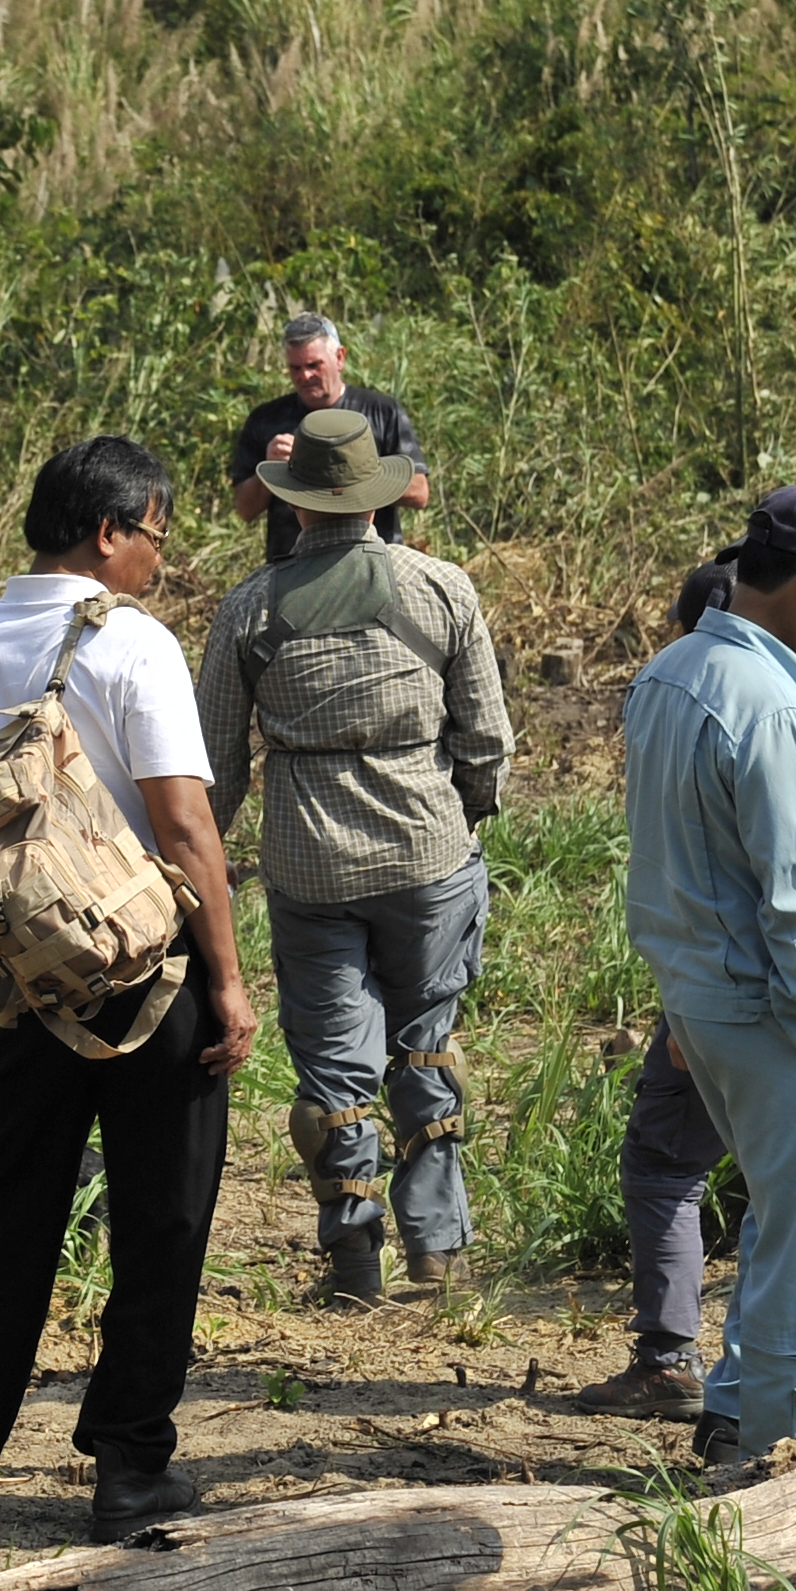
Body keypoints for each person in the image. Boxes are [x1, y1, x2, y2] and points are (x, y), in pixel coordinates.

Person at [0, 437, 257, 1540]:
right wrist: (230, 982)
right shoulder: (132, 643)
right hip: (151, 980)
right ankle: (127, 1465)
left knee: (2, 1223)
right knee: (160, 1222)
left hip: (23, 986)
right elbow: (184, 824)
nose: (159, 558)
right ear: (108, 531)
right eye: (155, 534)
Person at [196, 408, 512, 1306]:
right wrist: (467, 814)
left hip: (309, 863)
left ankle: (353, 1260)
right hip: (428, 851)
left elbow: (215, 767)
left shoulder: (250, 608)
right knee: (426, 1045)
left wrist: (201, 862)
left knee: (333, 1068)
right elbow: (486, 739)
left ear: (296, 508)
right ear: (373, 497)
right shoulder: (443, 587)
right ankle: (436, 1251)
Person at [615, 487, 796, 1461]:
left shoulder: (670, 672)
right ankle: (788, 1453)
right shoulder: (769, 702)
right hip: (781, 1016)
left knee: (781, 1215)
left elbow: (660, 864)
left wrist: (679, 998)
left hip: (706, 997)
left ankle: (735, 1406)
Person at [574, 563, 737, 1422]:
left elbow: (687, 867)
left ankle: (675, 1360)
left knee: (665, 1162)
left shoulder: (677, 698)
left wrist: (683, 1000)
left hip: (725, 985)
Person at [228, 316, 428, 566]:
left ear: (340, 358)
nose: (305, 375)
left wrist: (353, 470)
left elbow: (419, 492)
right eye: (295, 368)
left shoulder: (381, 412)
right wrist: (270, 471)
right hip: (293, 569)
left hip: (372, 566)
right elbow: (245, 510)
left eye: (314, 364)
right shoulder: (267, 420)